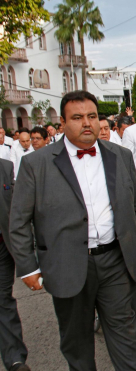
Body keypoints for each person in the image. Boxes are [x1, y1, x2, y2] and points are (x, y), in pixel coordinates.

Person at [7, 90, 136, 370]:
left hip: (116, 261)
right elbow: (19, 220)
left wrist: (134, 246)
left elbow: (133, 205)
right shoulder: (37, 163)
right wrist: (28, 266)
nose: (87, 123)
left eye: (92, 117)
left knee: (128, 339)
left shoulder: (121, 155)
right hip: (66, 263)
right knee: (77, 345)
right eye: (78, 117)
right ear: (62, 122)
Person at [0, 159, 30, 371]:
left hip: (2, 246)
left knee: (2, 300)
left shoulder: (5, 167)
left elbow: (18, 209)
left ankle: (15, 360)